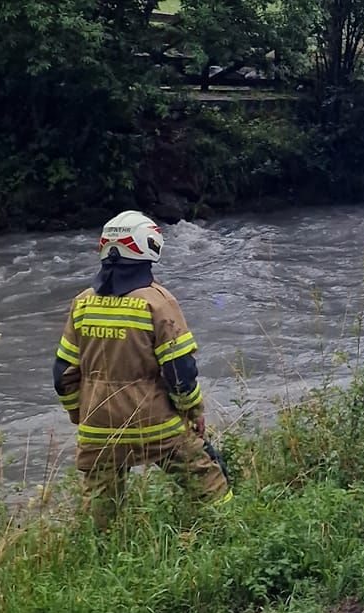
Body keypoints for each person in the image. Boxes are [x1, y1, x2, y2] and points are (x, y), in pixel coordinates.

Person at [53, 209, 231, 522]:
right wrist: (194, 414)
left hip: (97, 429)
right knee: (210, 486)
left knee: (101, 515)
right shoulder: (158, 302)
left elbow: (62, 375)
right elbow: (181, 373)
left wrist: (82, 415)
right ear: (148, 247)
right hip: (156, 427)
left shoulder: (81, 303)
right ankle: (233, 532)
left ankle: (100, 555)